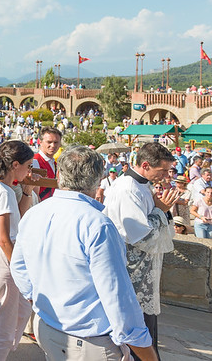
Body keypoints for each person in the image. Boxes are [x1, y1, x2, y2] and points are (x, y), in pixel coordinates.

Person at [11, 146, 158, 361]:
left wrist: (39, 301)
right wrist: (146, 353)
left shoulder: (35, 213)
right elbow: (118, 299)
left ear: (59, 175)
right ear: (99, 180)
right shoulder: (98, 225)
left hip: (47, 326)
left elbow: (19, 267)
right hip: (89, 340)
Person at [103, 142, 180, 361]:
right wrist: (160, 210)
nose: (166, 175)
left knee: (147, 332)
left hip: (145, 271)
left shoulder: (142, 185)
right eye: (162, 170)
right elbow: (142, 237)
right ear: (145, 165)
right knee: (137, 336)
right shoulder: (128, 188)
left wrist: (161, 210)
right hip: (132, 274)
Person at [0, 140, 35, 361]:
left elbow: (15, 219)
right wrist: (18, 267)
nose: (29, 170)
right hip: (1, 252)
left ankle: (5, 349)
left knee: (22, 308)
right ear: (14, 165)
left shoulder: (1, 188)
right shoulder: (2, 191)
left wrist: (27, 191)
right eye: (28, 165)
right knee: (5, 319)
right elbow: (4, 238)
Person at [32, 127, 61, 201]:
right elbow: (33, 194)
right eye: (49, 142)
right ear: (40, 142)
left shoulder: (55, 163)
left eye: (56, 142)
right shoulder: (34, 161)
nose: (53, 145)